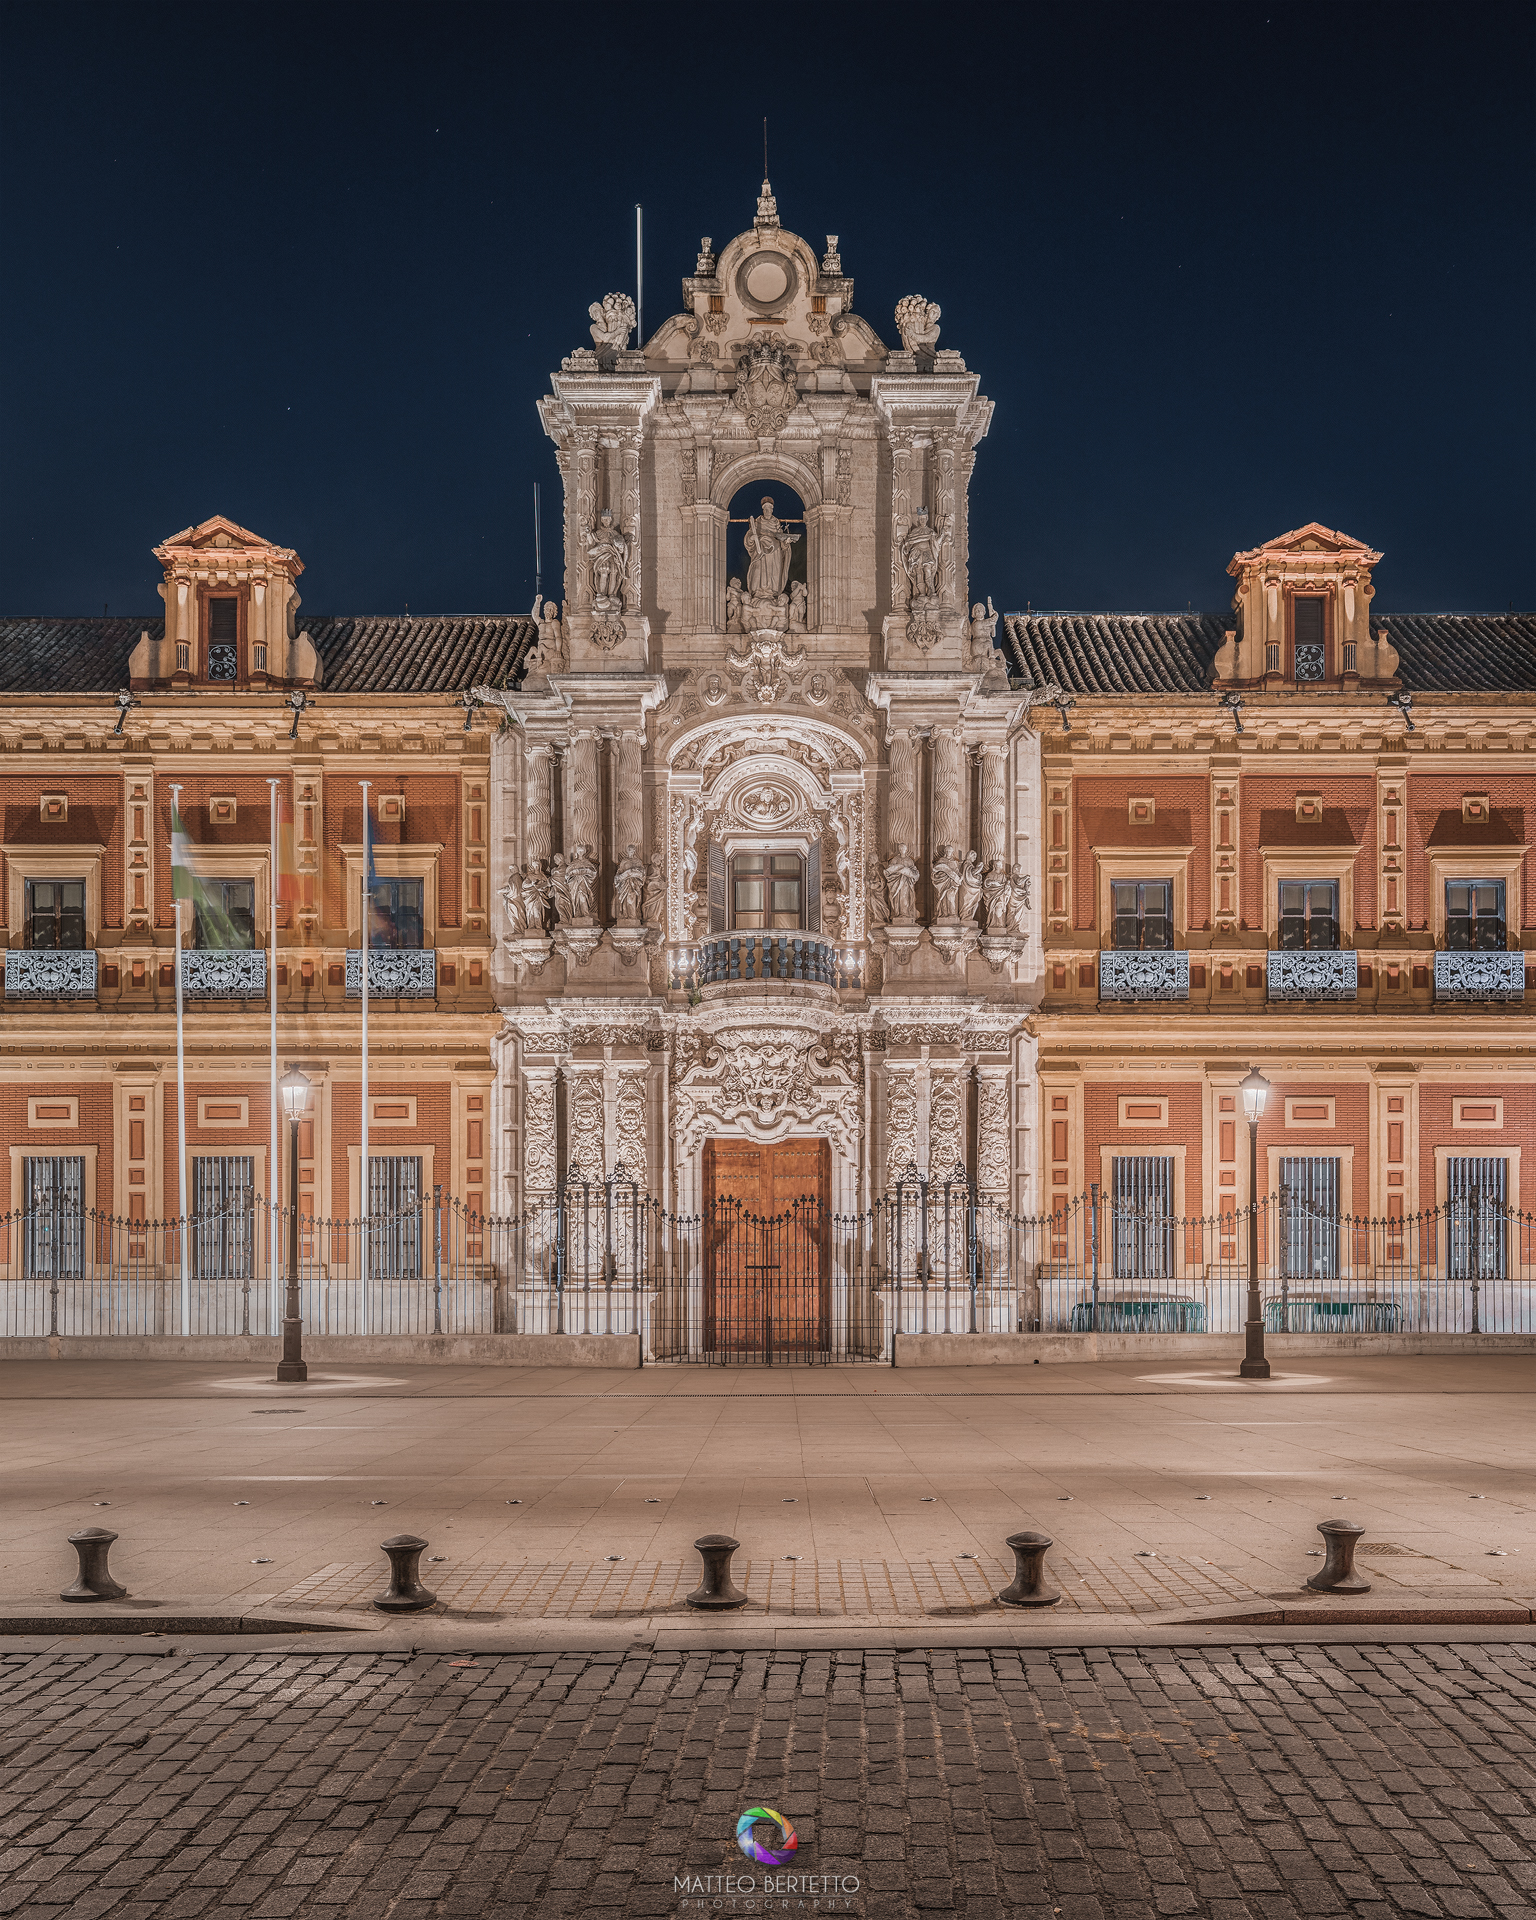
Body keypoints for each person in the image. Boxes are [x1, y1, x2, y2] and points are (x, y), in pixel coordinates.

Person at [744, 497, 800, 599]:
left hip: (774, 554)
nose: (767, 511)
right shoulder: (757, 523)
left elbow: (782, 540)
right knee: (758, 572)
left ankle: (772, 592)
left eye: (769, 509)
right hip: (760, 552)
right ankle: (758, 592)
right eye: (765, 509)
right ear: (763, 510)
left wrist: (786, 543)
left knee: (772, 574)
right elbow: (749, 538)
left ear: (772, 510)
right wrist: (752, 537)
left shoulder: (776, 524)